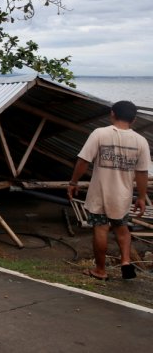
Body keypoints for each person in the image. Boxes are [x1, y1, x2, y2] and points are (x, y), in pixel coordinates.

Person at [68, 100, 150, 281]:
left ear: (112, 114)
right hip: (123, 196)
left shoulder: (99, 133)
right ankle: (126, 262)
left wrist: (73, 182)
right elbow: (142, 172)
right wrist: (142, 197)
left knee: (101, 228)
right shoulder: (140, 141)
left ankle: (100, 270)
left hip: (100, 194)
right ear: (134, 119)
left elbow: (83, 161)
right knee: (122, 230)